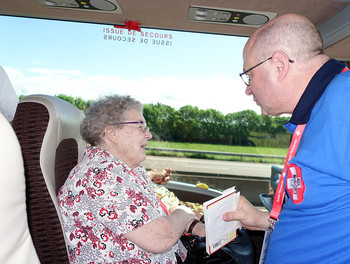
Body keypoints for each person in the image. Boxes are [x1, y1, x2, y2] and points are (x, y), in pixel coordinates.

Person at [223, 13, 350, 263]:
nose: (248, 88)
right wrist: (264, 220)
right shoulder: (318, 109)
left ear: (279, 65)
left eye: (249, 76)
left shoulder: (345, 102)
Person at [57, 95, 205, 263]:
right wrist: (184, 213)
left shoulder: (127, 168)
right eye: (141, 127)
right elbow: (159, 238)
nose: (149, 135)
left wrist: (193, 226)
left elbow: (151, 220)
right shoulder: (100, 176)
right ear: (112, 133)